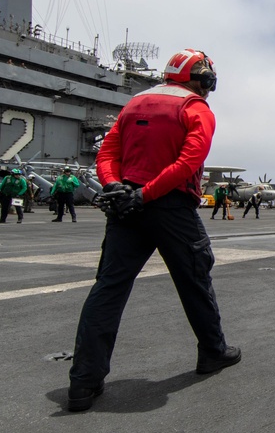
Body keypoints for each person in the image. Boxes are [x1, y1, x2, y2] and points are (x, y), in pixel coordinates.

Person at [67, 49, 240, 412]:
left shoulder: (134, 104)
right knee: (195, 281)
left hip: (126, 206)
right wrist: (146, 194)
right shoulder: (196, 108)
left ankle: (84, 382)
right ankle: (213, 352)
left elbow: (106, 154)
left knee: (108, 288)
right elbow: (188, 162)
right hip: (170, 208)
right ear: (204, 80)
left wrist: (115, 187)